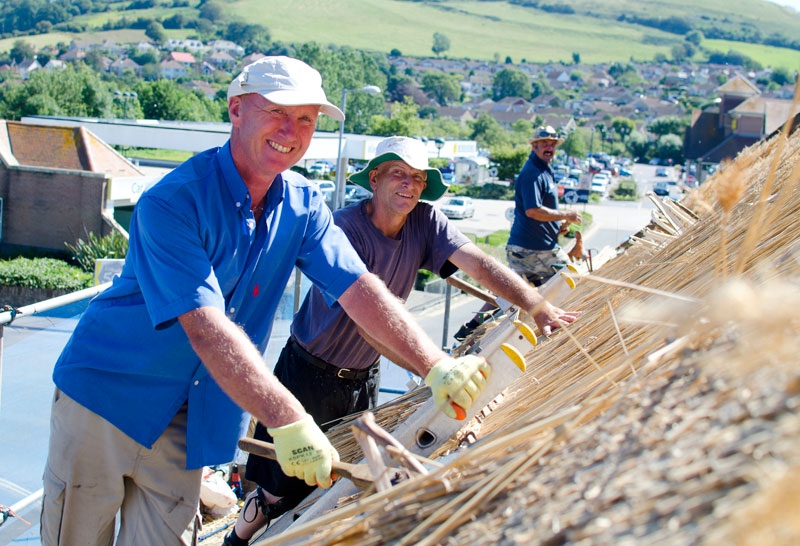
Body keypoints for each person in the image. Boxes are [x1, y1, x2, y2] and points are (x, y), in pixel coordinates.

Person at [41, 57, 490, 546]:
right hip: (105, 400)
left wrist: (434, 365)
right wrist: (290, 419)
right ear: (236, 109)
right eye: (277, 110)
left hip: (189, 416)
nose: (291, 130)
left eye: (306, 119)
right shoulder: (173, 202)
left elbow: (358, 287)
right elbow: (207, 328)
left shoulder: (302, 204)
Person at [225, 136, 578, 545]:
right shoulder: (343, 230)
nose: (409, 185)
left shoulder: (425, 222)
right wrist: (434, 370)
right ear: (374, 178)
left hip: (362, 378)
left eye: (417, 177)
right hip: (309, 371)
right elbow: (367, 323)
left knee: (333, 490)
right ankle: (235, 539)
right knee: (280, 488)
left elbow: (477, 263)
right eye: (398, 174)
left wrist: (537, 306)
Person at [454, 125, 582, 341]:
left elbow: (537, 210)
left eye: (552, 144)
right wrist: (566, 214)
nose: (549, 147)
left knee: (509, 291)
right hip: (534, 249)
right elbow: (533, 210)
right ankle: (566, 322)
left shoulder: (544, 169)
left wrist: (557, 225)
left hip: (532, 246)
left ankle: (471, 328)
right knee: (570, 277)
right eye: (544, 144)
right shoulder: (533, 173)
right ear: (534, 146)